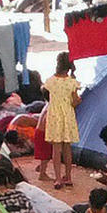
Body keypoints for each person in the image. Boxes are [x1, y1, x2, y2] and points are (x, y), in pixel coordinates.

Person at [38, 52, 81, 187]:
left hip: (54, 116)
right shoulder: (72, 82)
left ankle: (57, 179)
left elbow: (44, 91)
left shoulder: (50, 81)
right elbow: (74, 102)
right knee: (67, 148)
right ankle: (68, 177)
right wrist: (77, 100)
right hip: (68, 116)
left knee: (56, 149)